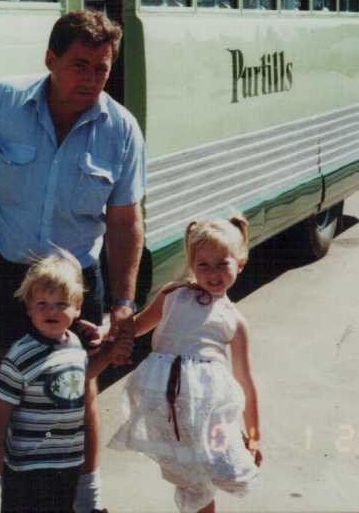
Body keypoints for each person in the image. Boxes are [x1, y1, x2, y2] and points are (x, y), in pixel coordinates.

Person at [0, 10, 146, 513]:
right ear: (50, 59)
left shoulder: (120, 129)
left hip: (76, 283)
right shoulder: (1, 103)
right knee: (14, 389)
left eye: (102, 69)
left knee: (78, 390)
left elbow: (124, 221)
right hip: (8, 277)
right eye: (80, 65)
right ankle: (22, 497)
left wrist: (123, 302)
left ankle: (85, 500)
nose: (91, 79)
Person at [107, 216, 263, 513]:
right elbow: (135, 327)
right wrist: (108, 335)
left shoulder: (234, 320)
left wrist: (253, 435)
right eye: (203, 264)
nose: (213, 273)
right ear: (192, 264)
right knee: (188, 478)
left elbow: (245, 381)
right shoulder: (173, 296)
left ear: (240, 263)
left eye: (222, 264)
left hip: (208, 409)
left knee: (225, 466)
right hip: (168, 408)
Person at [0, 255, 134, 513]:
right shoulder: (21, 353)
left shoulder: (74, 343)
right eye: (42, 303)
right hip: (27, 463)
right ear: (29, 309)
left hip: (66, 459)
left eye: (61, 304)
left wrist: (108, 355)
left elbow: (83, 375)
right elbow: (2, 401)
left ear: (77, 308)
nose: (51, 311)